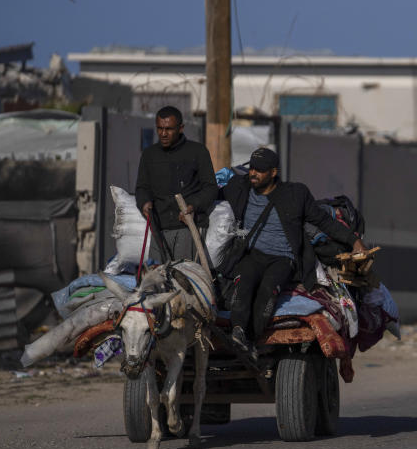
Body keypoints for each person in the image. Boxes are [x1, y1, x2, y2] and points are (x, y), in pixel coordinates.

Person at [220, 147, 367, 352]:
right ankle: (238, 333)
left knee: (266, 292)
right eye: (252, 168)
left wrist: (353, 241)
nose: (253, 173)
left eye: (260, 170)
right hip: (251, 254)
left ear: (273, 172)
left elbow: (324, 221)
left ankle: (252, 342)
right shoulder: (239, 187)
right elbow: (210, 193)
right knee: (243, 285)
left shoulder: (295, 194)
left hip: (282, 259)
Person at [135, 106, 217, 262]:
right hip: (159, 227)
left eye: (169, 129)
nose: (163, 134)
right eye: (159, 128)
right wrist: (144, 202)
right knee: (157, 278)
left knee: (182, 278)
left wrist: (192, 205)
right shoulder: (149, 155)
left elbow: (210, 187)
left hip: (187, 227)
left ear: (180, 128)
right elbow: (142, 187)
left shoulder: (198, 152)